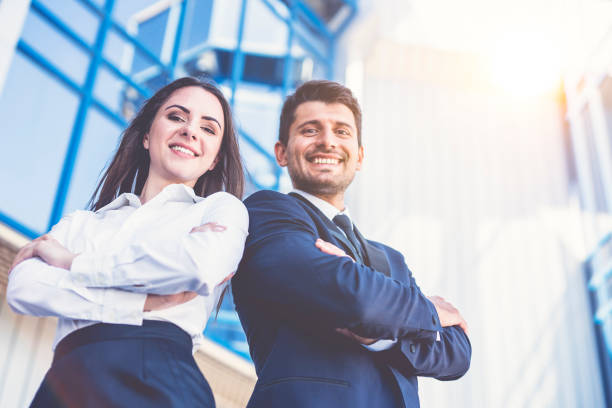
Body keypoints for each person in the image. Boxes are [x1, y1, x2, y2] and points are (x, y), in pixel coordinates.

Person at [7, 77, 247, 407]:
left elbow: (195, 267)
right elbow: (25, 287)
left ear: (215, 159)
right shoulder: (83, 222)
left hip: (157, 377)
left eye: (208, 128)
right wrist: (139, 304)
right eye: (176, 117)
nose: (190, 131)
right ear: (147, 136)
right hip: (64, 381)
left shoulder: (222, 210)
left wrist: (73, 263)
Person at [232, 80, 471, 407]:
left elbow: (456, 352)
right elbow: (353, 298)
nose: (328, 141)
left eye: (342, 131)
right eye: (310, 130)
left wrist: (379, 334)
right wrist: (424, 310)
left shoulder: (391, 259)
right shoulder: (267, 212)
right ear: (282, 152)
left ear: (358, 156)